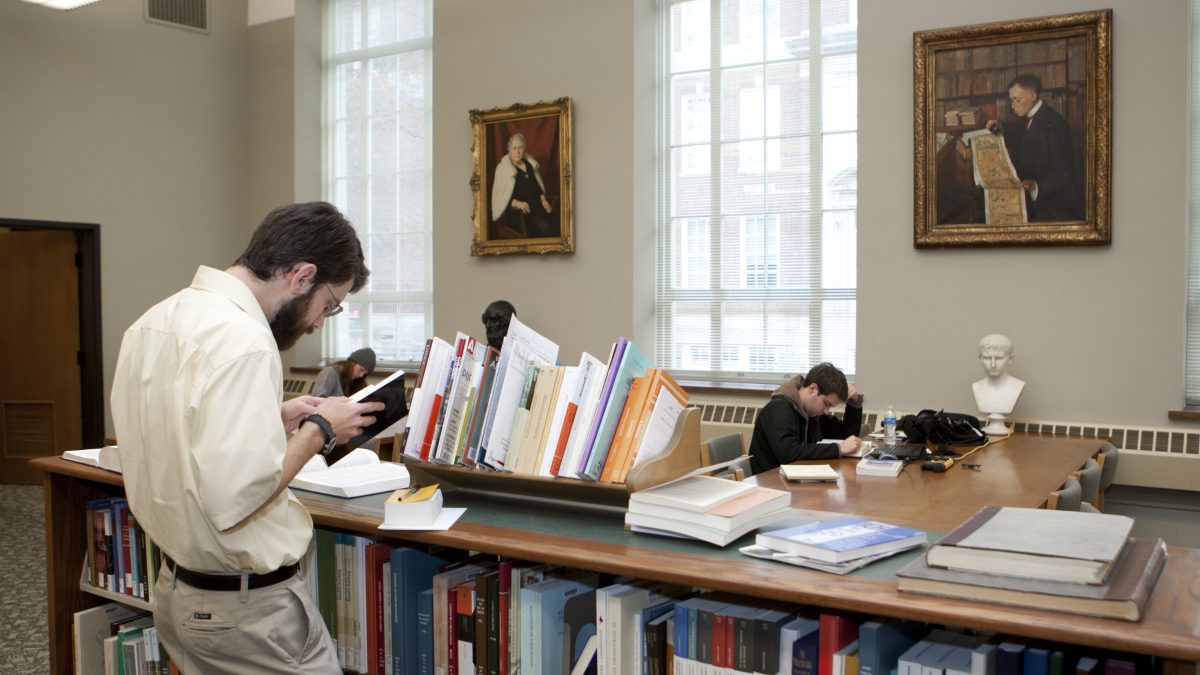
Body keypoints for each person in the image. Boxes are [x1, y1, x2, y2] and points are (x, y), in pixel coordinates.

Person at [110, 202, 386, 673]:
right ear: (302, 276)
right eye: (328, 305)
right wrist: (322, 429)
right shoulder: (245, 340)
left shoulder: (156, 320)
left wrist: (270, 417)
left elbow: (174, 428)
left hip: (177, 591)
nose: (320, 322)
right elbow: (236, 496)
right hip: (244, 613)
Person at [986, 74, 1082, 222]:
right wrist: (1000, 128)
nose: (1012, 105)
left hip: (1051, 203)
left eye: (1017, 99)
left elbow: (1065, 174)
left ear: (1032, 95)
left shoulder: (1055, 124)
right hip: (1030, 196)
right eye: (1011, 100)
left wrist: (1035, 186)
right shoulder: (1031, 117)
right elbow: (1020, 134)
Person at [748, 363, 865, 475]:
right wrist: (837, 448)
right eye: (826, 403)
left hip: (800, 478)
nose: (826, 411)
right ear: (813, 389)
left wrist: (853, 403)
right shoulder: (778, 409)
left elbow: (846, 437)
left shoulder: (813, 413)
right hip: (771, 484)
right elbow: (788, 453)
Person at [490, 133, 558, 238]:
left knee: (557, 223)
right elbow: (500, 197)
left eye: (520, 148)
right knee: (546, 229)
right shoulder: (503, 169)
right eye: (514, 148)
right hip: (520, 214)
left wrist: (543, 199)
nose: (517, 152)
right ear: (509, 150)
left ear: (524, 149)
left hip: (538, 209)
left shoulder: (529, 163)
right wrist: (517, 203)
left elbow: (537, 186)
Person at [972, 333, 1025, 435]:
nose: (992, 364)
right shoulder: (976, 387)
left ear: (1010, 359)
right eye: (987, 358)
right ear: (980, 358)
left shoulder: (1018, 386)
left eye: (999, 358)